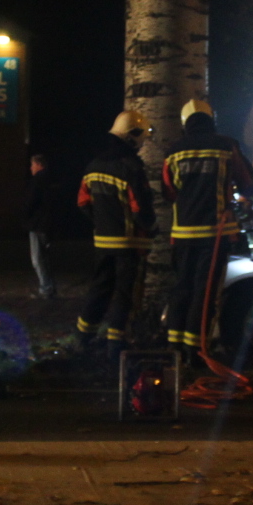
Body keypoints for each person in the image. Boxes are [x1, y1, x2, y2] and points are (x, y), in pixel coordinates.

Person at [162, 100, 253, 356]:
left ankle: (174, 347)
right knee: (205, 294)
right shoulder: (227, 145)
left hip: (182, 235)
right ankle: (195, 351)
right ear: (210, 119)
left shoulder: (173, 151)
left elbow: (169, 191)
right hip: (215, 235)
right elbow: (248, 183)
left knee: (182, 288)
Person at [72, 111, 155, 356]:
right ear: (133, 137)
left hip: (102, 243)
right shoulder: (131, 168)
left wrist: (101, 223)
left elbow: (82, 202)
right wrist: (150, 228)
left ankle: (83, 337)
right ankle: (115, 343)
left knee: (99, 288)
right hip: (128, 244)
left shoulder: (93, 166)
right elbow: (141, 209)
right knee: (123, 293)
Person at [24, 154, 64, 299]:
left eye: (32, 165)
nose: (31, 168)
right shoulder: (53, 180)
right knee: (46, 257)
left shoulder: (37, 180)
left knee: (37, 258)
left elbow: (30, 202)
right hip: (50, 224)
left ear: (39, 165)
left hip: (38, 224)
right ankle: (50, 286)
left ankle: (46, 288)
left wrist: (25, 216)